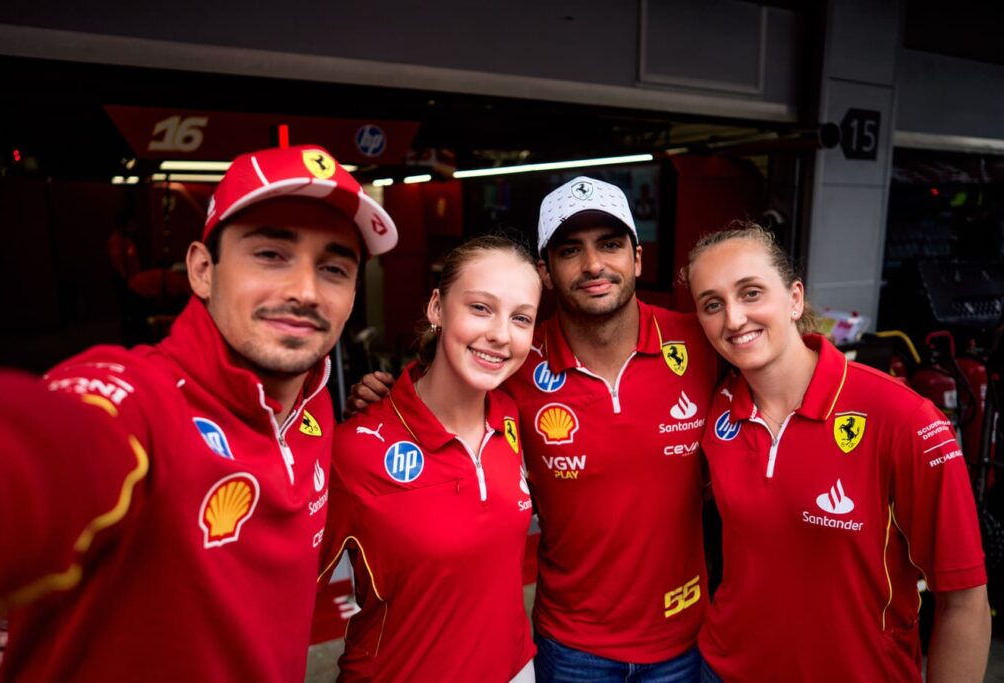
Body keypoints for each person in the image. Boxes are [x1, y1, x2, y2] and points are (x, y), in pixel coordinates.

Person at [0, 144, 398, 681]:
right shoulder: (141, 398)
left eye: (334, 268)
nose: (305, 292)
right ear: (202, 270)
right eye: (271, 254)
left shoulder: (311, 397)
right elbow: (36, 453)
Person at [350, 176, 718, 681]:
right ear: (546, 272)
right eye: (571, 250)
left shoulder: (700, 343)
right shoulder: (514, 363)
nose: (593, 265)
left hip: (684, 638)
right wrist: (383, 398)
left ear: (636, 257)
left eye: (610, 245)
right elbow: (442, 396)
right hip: (570, 648)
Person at [684, 223, 990, 682]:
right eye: (712, 304)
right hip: (723, 670)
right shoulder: (716, 411)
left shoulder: (904, 418)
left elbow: (965, 602)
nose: (732, 319)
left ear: (794, 298)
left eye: (751, 293)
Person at [321, 235, 541, 681]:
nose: (501, 334)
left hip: (515, 669)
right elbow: (268, 607)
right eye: (480, 307)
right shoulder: (354, 448)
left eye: (521, 318)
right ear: (437, 308)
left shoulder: (510, 417)